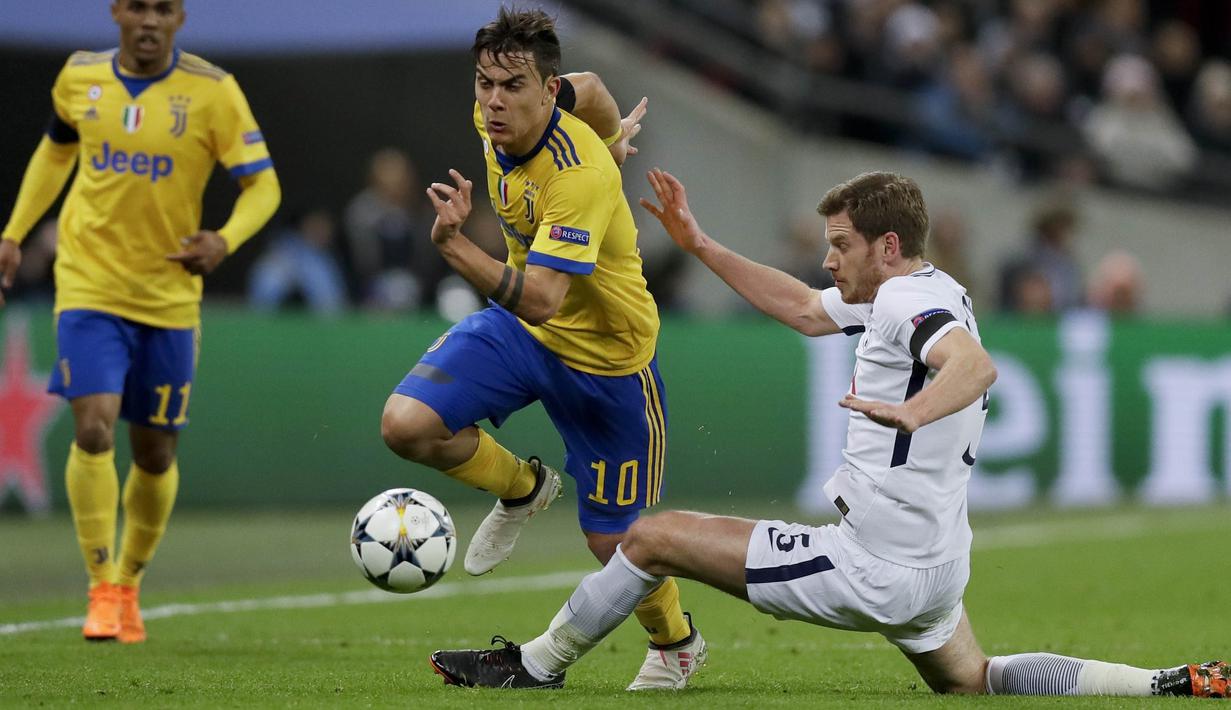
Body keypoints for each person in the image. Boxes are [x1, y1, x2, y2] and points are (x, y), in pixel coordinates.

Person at [427, 169, 1228, 698]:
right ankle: (1162, 682)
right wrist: (701, 244)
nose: (828, 259)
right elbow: (807, 311)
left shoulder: (900, 304)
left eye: (839, 245)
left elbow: (973, 368)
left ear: (885, 245)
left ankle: (534, 668)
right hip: (936, 566)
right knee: (973, 679)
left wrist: (913, 411)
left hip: (872, 565)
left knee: (648, 538)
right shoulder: (927, 285)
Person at [379, 9, 704, 691]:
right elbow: (593, 86)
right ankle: (524, 487)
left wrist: (452, 244)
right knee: (406, 426)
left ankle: (676, 643)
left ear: (546, 92)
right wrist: (616, 138)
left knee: (615, 546)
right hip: (521, 336)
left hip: (606, 359)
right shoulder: (498, 115)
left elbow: (543, 298)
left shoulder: (576, 174)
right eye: (484, 82)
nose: (494, 100)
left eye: (512, 86)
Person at [0, 0, 280, 643]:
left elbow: (263, 186)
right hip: (89, 282)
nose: (149, 20)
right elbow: (54, 153)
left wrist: (225, 240)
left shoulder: (213, 92)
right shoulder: (79, 77)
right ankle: (99, 586)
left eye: (162, 8)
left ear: (179, 18)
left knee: (154, 453)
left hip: (168, 296)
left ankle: (128, 582)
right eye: (137, 7)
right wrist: (14, 232)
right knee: (94, 427)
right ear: (116, 12)